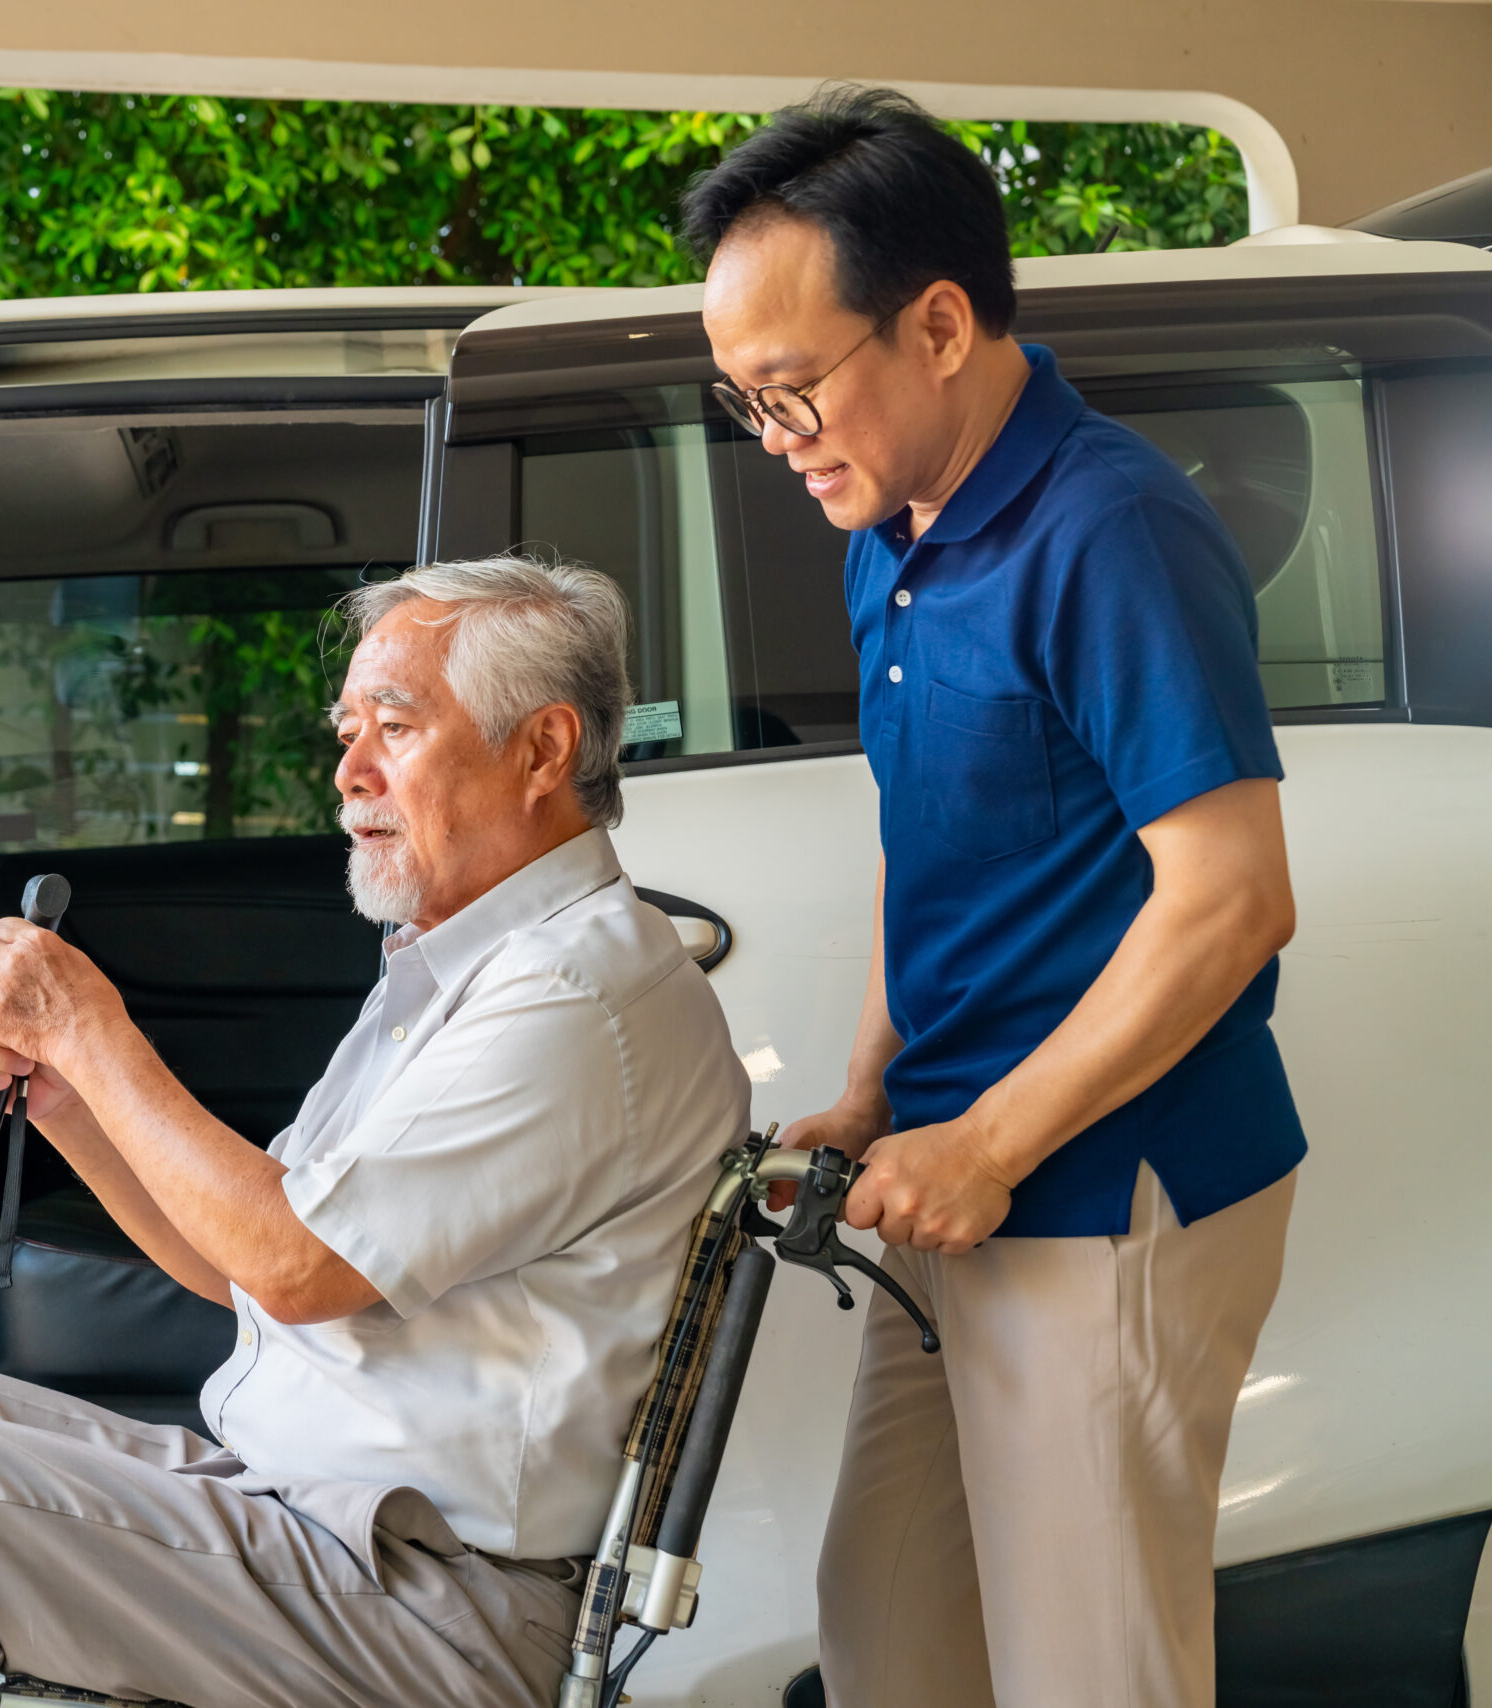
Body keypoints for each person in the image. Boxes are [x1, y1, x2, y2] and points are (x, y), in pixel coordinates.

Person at [0, 557, 751, 1708]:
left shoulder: (570, 993)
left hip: (439, 1602)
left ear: (541, 749)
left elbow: (297, 1263)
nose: (348, 771)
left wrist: (94, 1030)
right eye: (346, 728)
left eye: (394, 727)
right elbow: (246, 1269)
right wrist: (67, 1096)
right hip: (320, 1512)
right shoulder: (464, 959)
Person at [682, 87, 1305, 1708]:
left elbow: (1232, 901)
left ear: (940, 323)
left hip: (1106, 1191)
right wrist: (877, 1088)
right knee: (889, 1620)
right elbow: (936, 837)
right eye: (744, 401)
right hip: (949, 1169)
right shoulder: (887, 531)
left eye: (794, 388)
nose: (776, 441)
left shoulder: (1115, 529)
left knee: (1091, 1668)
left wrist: (994, 1140)